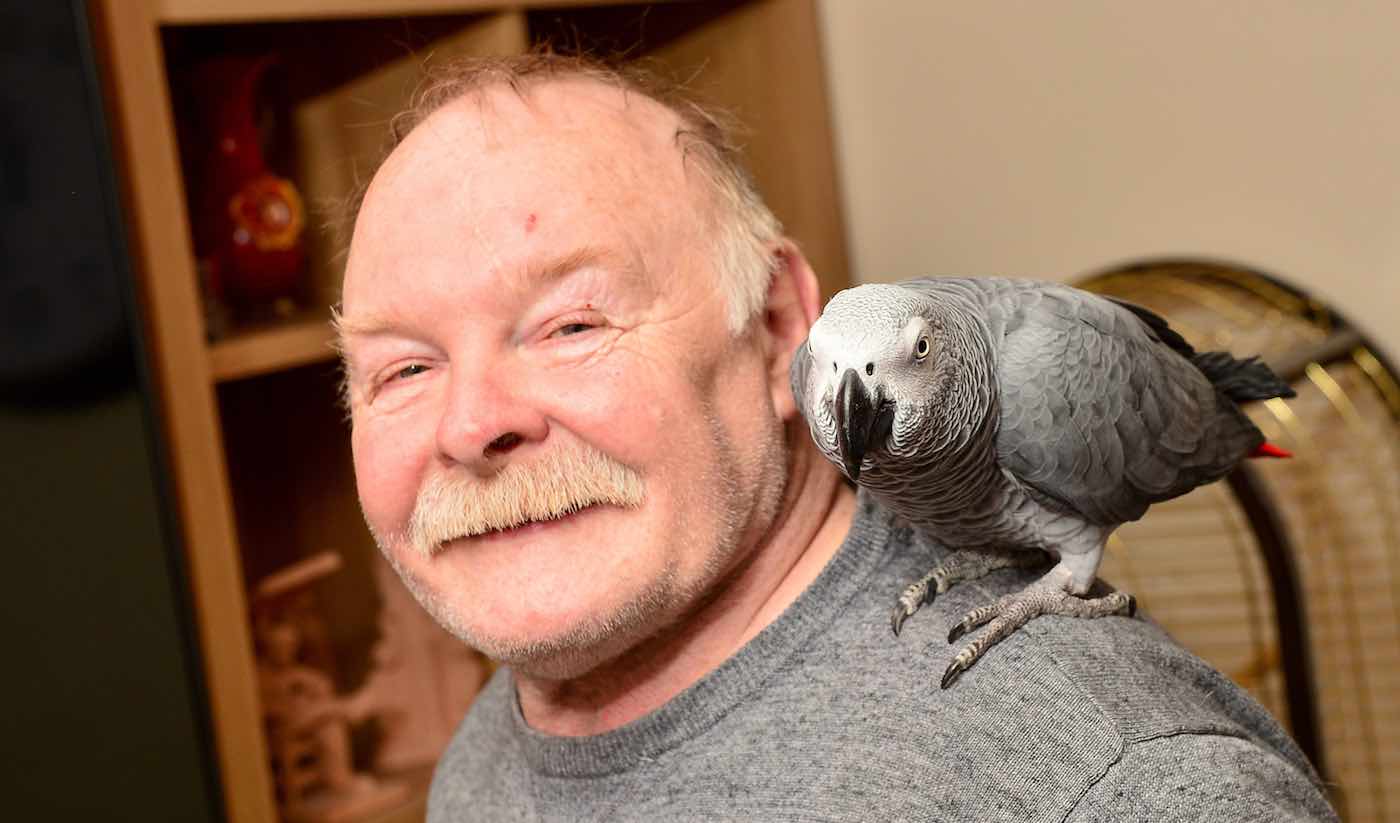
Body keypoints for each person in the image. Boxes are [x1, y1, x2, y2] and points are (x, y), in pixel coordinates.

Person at [335, 52, 1337, 821]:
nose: (470, 425)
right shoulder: (486, 754)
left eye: (571, 325)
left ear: (778, 329)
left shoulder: (1117, 786)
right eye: (403, 368)